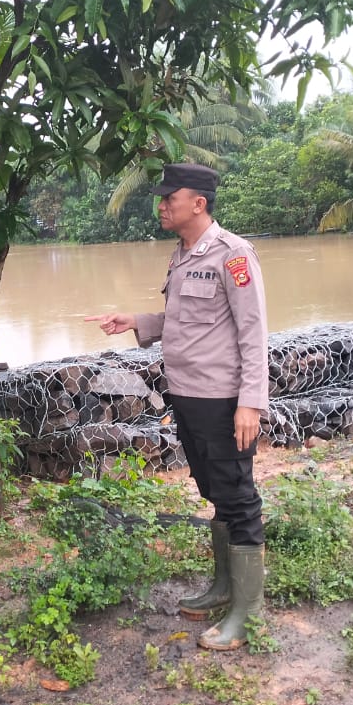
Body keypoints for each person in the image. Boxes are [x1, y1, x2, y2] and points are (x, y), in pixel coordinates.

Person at [86, 163, 269, 651]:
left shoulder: (234, 256)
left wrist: (250, 404)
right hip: (187, 394)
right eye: (162, 197)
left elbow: (253, 334)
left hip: (223, 398)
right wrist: (137, 320)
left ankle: (248, 613)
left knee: (237, 495)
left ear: (198, 204)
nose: (162, 204)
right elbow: (187, 320)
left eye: (171, 197)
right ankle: (225, 587)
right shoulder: (183, 255)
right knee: (213, 490)